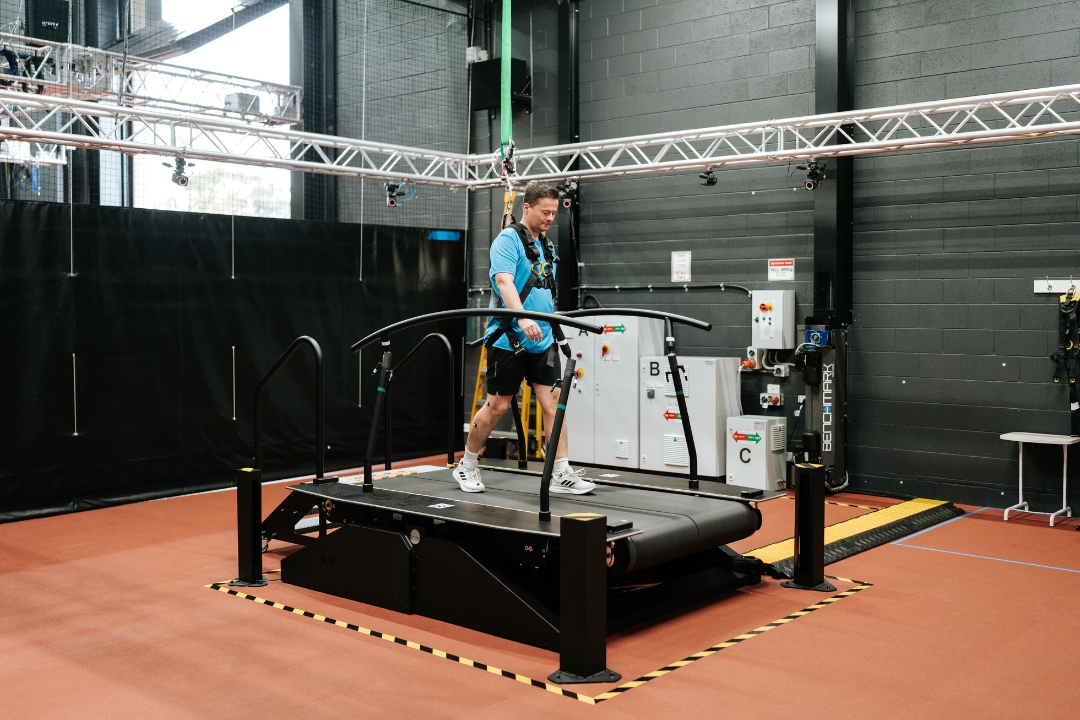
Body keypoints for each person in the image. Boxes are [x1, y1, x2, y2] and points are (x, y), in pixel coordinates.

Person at [453, 181, 595, 495]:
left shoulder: (547, 246)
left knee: (554, 402)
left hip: (542, 340)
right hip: (509, 339)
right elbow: (504, 282)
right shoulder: (507, 241)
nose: (550, 218)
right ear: (526, 207)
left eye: (554, 213)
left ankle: (561, 472)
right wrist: (523, 316)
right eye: (545, 212)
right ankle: (467, 465)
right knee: (498, 407)